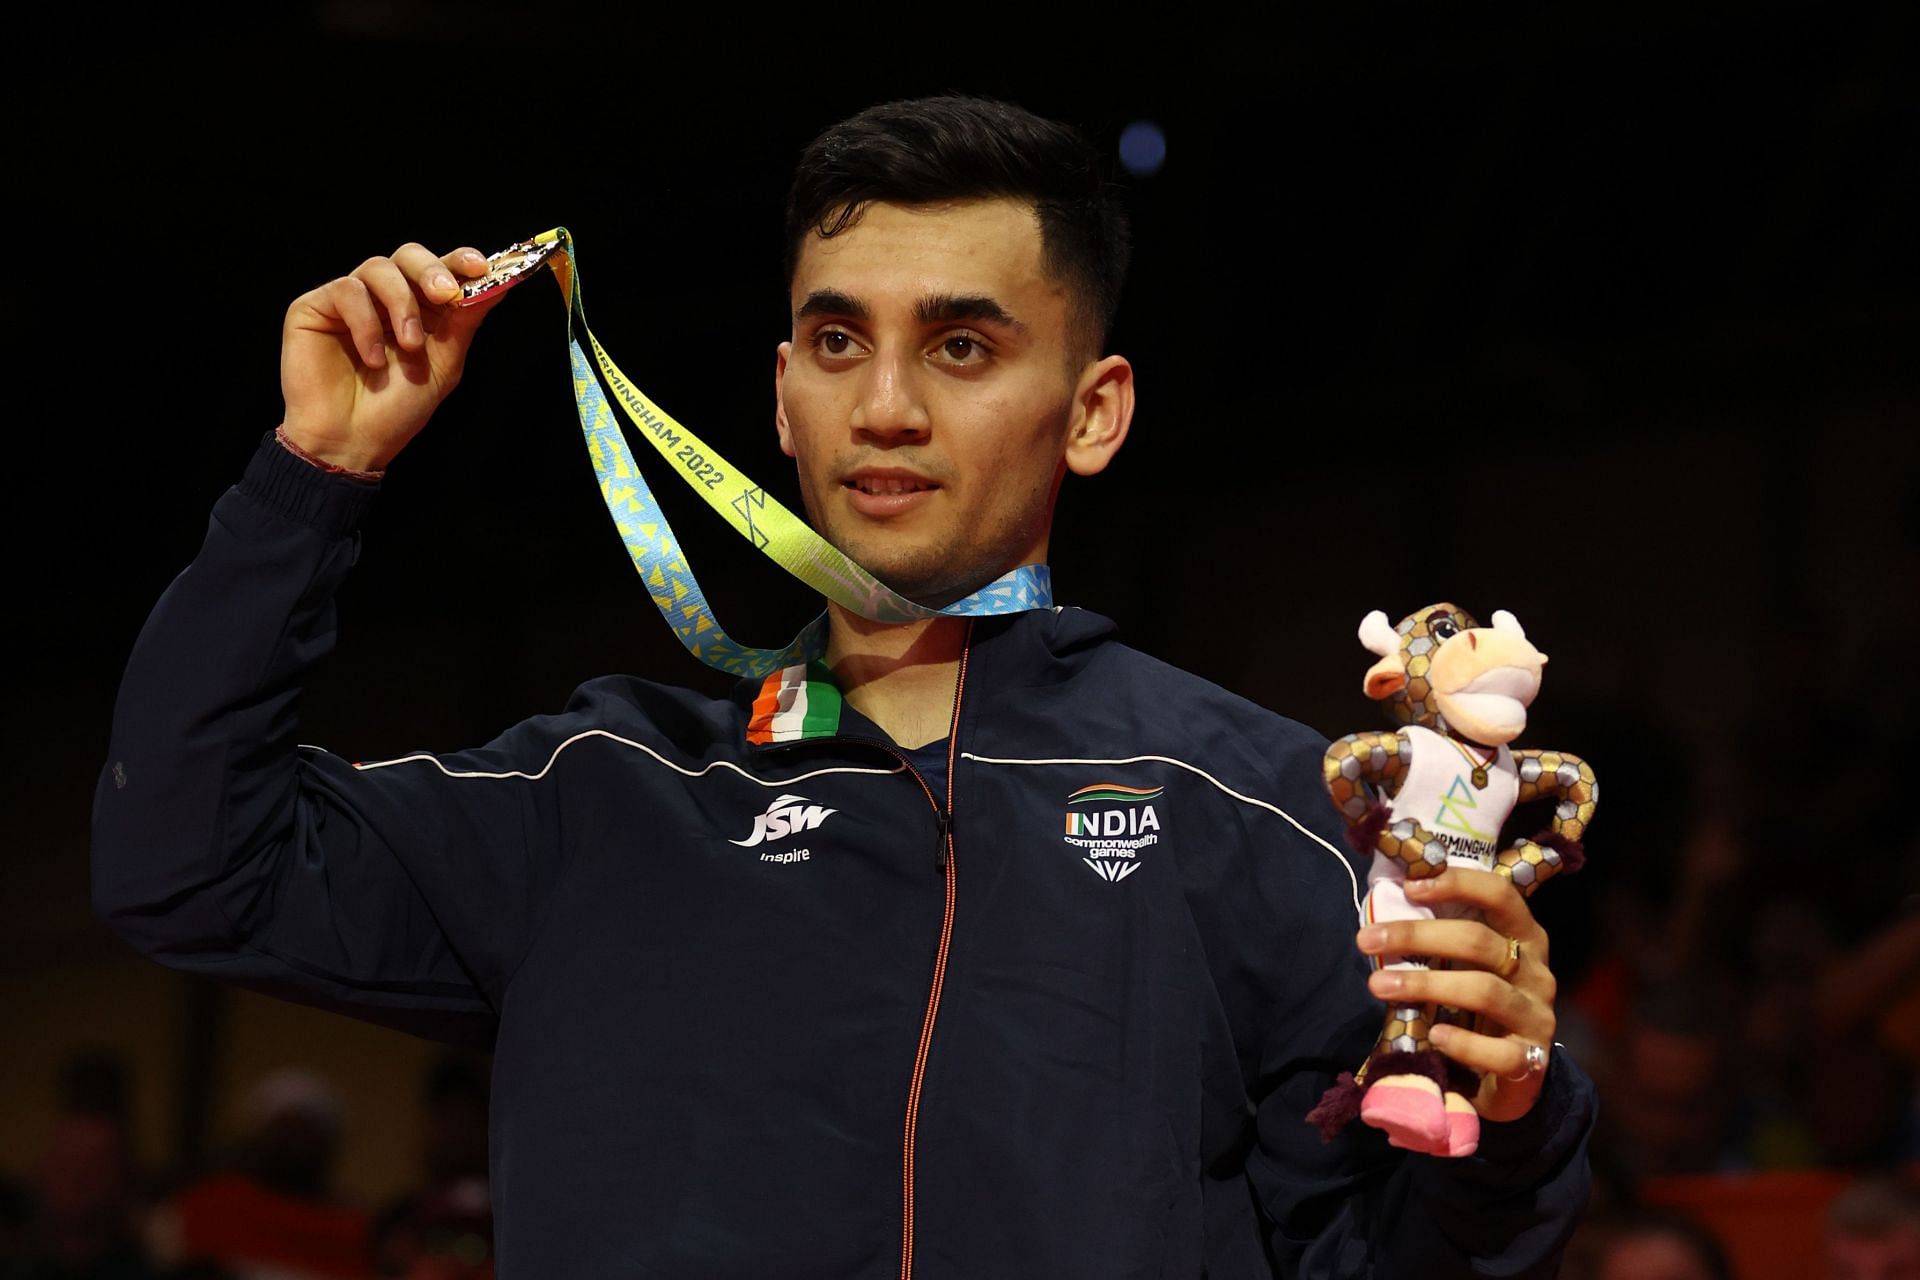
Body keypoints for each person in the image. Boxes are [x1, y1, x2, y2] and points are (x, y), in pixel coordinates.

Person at [92, 95, 1594, 1277]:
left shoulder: (1262, 805)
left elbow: (1382, 1255)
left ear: (1092, 412)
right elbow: (183, 863)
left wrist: (1517, 1126)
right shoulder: (600, 794)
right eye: (835, 341)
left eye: (959, 344)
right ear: (780, 401)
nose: (884, 406)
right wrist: (316, 478)